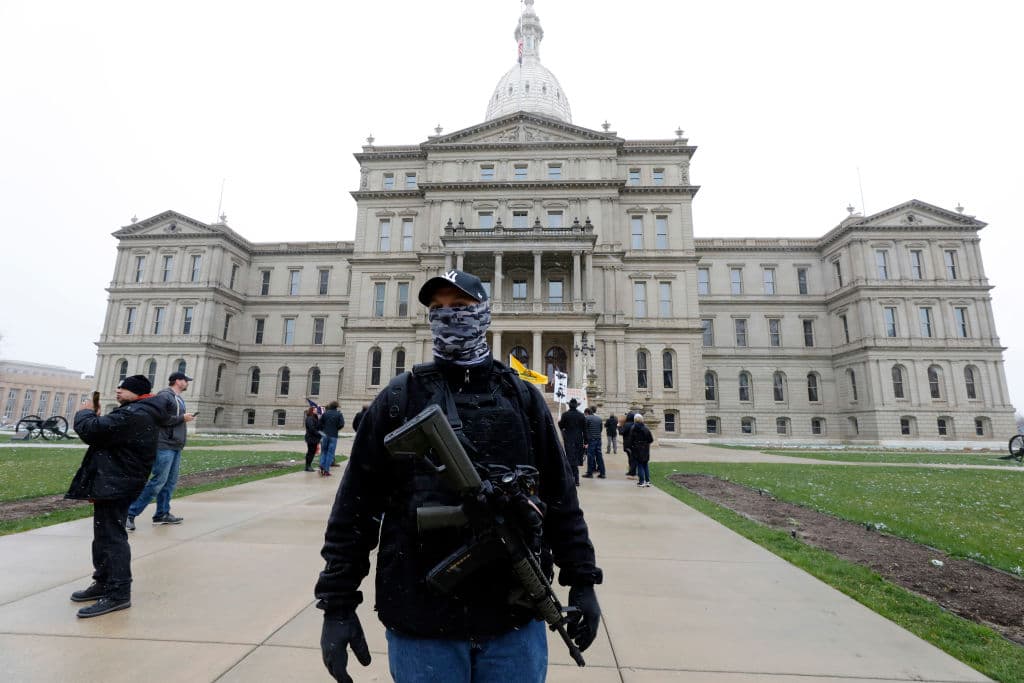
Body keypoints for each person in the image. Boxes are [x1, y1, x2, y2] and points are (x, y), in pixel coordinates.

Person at [315, 269, 602, 683]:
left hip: (512, 622)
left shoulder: (521, 397)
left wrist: (582, 581)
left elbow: (560, 500)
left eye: (461, 307)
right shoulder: (399, 398)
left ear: (484, 314)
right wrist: (337, 604)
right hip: (421, 620)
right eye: (438, 309)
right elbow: (355, 510)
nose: (448, 317)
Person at [67, 375, 164, 618]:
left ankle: (118, 592)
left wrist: (85, 413)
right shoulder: (136, 411)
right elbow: (107, 433)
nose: (118, 390)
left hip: (118, 481)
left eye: (123, 388)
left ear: (137, 392)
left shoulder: (135, 414)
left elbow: (91, 431)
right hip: (114, 479)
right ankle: (103, 581)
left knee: (112, 538)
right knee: (103, 535)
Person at [126, 371, 195, 530]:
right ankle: (129, 513)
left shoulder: (177, 398)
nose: (187, 383)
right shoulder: (165, 396)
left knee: (169, 483)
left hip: (175, 445)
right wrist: (182, 418)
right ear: (178, 381)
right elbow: (159, 418)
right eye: (186, 380)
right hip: (164, 445)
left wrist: (183, 418)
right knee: (158, 482)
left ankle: (162, 514)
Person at [558, 397, 586, 486]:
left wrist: (559, 423)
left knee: (570, 458)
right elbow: (585, 430)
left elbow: (561, 426)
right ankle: (576, 479)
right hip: (578, 439)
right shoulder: (581, 415)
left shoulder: (565, 415)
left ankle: (571, 478)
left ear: (569, 406)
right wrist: (586, 441)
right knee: (576, 458)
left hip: (569, 438)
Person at [318, 401, 345, 476]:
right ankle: (326, 470)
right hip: (333, 435)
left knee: (324, 451)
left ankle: (322, 465)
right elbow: (342, 424)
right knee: (330, 453)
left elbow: (319, 424)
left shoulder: (325, 414)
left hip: (325, 435)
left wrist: (323, 432)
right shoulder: (339, 414)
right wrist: (336, 429)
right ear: (337, 406)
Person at [630, 413, 654, 488]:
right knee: (645, 465)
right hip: (645, 448)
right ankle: (647, 481)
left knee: (640, 465)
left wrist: (633, 445)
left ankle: (641, 481)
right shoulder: (646, 428)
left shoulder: (633, 428)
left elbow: (631, 439)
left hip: (637, 448)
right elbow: (651, 439)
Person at [582, 407, 605, 479]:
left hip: (591, 439)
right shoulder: (599, 419)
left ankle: (589, 473)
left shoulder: (587, 418)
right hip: (598, 439)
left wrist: (585, 441)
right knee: (599, 456)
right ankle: (602, 473)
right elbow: (601, 429)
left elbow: (585, 430)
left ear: (586, 413)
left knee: (590, 456)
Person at [619, 411, 637, 477]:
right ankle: (632, 471)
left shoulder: (627, 424)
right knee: (632, 458)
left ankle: (632, 472)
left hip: (628, 443)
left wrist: (619, 426)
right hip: (634, 443)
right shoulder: (635, 424)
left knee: (631, 458)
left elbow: (621, 432)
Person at [304, 406, 321, 472]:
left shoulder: (314, 418)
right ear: (312, 411)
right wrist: (318, 433)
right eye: (315, 410)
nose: (317, 411)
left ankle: (309, 465)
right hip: (311, 438)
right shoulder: (310, 418)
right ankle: (308, 466)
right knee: (310, 452)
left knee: (312, 452)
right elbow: (311, 428)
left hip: (314, 437)